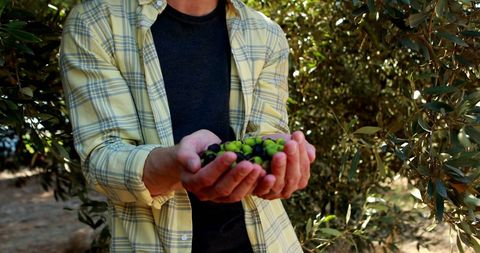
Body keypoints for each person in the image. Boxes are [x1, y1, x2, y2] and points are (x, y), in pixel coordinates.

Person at [60, 0, 316, 252]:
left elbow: (264, 134)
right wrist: (175, 164)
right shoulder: (96, 23)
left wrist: (280, 161)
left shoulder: (266, 34)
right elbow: (102, 160)